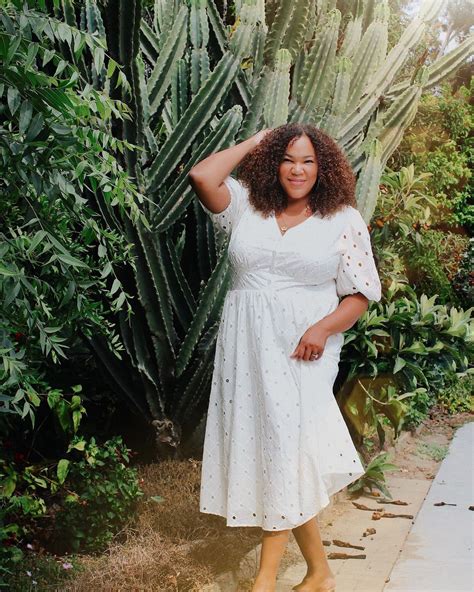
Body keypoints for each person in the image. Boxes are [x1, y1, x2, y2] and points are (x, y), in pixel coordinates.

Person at [188, 123, 382, 592]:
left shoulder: (342, 220)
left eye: (309, 161)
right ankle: (320, 573)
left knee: (286, 451)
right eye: (288, 158)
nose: (298, 169)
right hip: (247, 348)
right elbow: (201, 176)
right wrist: (257, 141)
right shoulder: (246, 208)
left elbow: (360, 295)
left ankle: (265, 580)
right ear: (274, 162)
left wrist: (321, 328)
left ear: (324, 168)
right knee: (274, 450)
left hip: (304, 349)